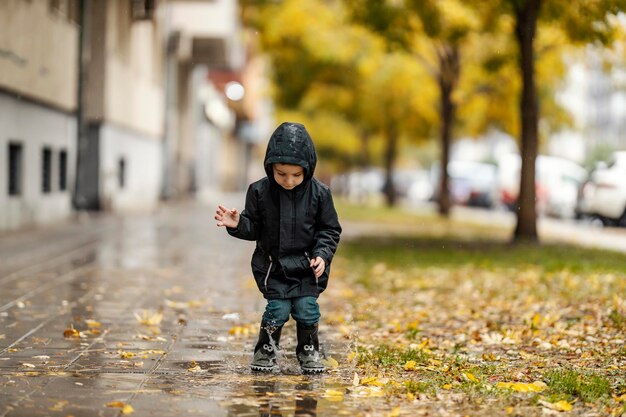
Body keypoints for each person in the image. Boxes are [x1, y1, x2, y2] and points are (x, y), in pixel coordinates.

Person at [215, 122, 342, 374]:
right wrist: (238, 223)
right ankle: (266, 349)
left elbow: (330, 229)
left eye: (297, 175)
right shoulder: (259, 192)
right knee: (278, 308)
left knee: (306, 308)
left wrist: (322, 255)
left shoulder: (320, 194)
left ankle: (308, 350)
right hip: (273, 266)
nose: (289, 181)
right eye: (281, 173)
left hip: (307, 267)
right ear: (271, 166)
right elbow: (254, 228)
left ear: (308, 168)